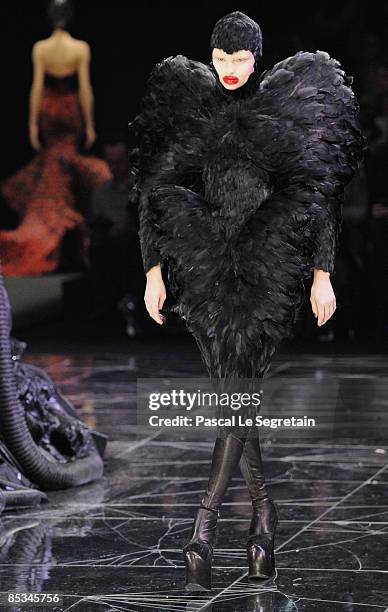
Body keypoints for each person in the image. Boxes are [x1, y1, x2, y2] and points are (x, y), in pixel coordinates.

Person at [128, 11, 365, 591]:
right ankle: (264, 523)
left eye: (240, 59)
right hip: (205, 261)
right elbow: (155, 190)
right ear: (210, 57)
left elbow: (317, 195)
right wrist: (153, 268)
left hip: (266, 263)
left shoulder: (283, 113)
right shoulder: (192, 108)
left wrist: (322, 272)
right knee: (238, 397)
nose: (230, 69)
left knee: (235, 390)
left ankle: (202, 531)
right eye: (221, 58)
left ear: (257, 59)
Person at [0, 0, 111, 276]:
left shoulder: (42, 48)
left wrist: (32, 124)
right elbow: (84, 88)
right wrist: (89, 124)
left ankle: (61, 232)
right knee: (61, 162)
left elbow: (37, 87)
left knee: (55, 161)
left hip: (50, 106)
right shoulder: (79, 48)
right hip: (69, 106)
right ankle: (59, 231)